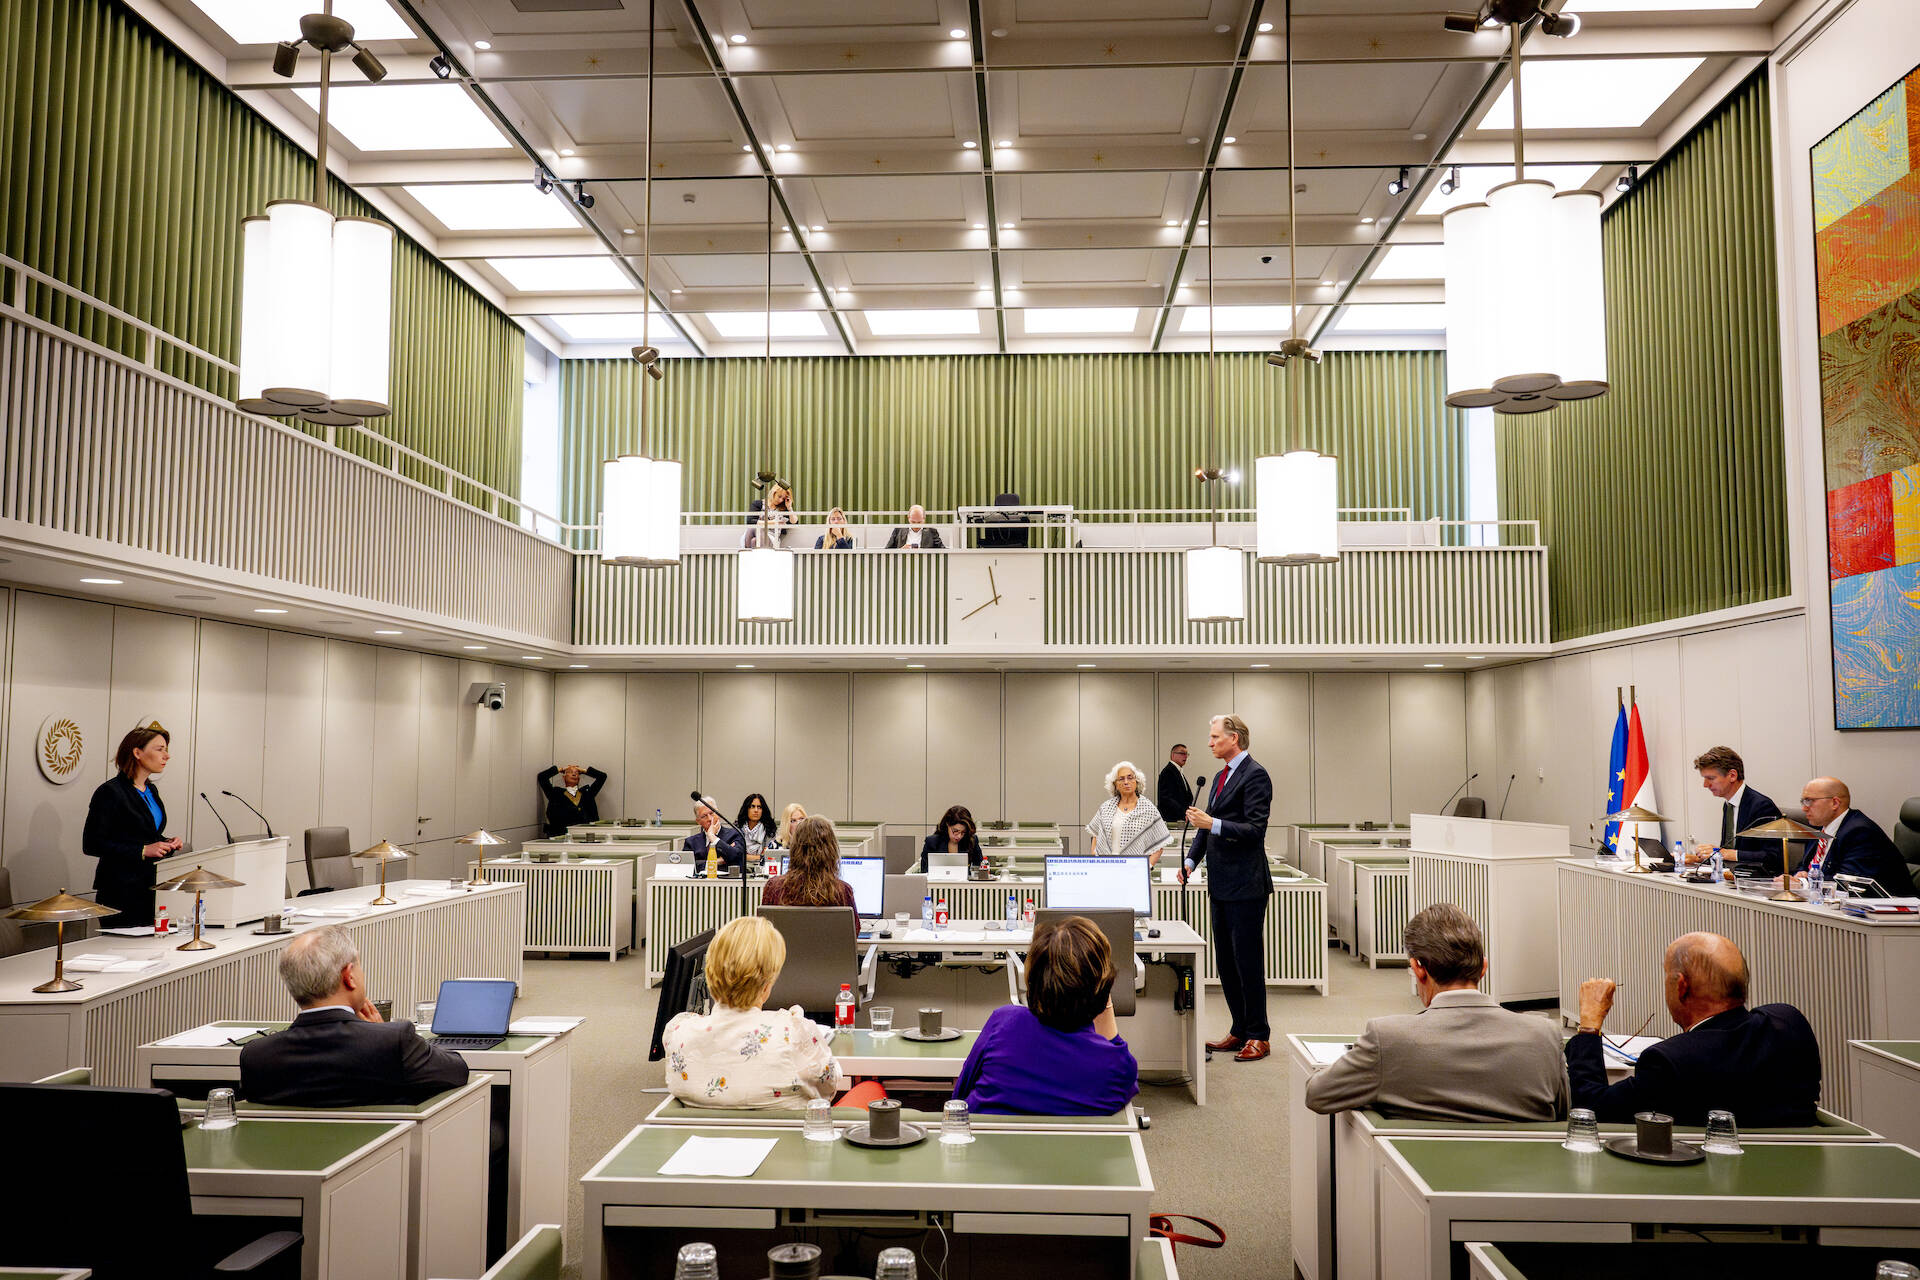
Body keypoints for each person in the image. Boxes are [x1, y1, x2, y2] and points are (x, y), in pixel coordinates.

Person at [1305, 905, 1569, 1121]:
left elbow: (1317, 1094)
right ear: (1483, 967)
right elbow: (1564, 1113)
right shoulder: (1544, 1034)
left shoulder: (1387, 1038)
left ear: (1419, 969)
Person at [1566, 932, 1821, 1125]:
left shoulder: (1670, 1062)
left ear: (1681, 986)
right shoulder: (1790, 1023)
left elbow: (1592, 1108)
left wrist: (1589, 1026)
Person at [661, 916, 885, 1110]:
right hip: (792, 1146)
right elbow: (829, 1085)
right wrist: (798, 1027)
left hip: (701, 1145)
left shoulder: (678, 1031)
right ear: (767, 985)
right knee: (870, 1089)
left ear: (709, 973)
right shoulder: (793, 1031)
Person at [239, 925, 468, 1106]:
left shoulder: (256, 1056)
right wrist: (380, 1031)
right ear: (349, 976)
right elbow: (457, 1071)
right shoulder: (393, 1041)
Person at [954, 915, 1139, 1115]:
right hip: (1072, 1147)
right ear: (1103, 991)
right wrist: (1103, 999)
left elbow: (959, 1098)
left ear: (1031, 978)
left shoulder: (1005, 1022)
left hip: (986, 1143)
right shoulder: (1118, 1067)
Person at [1184, 714, 1273, 1062]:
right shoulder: (1221, 777)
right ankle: (1239, 1029)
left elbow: (1255, 830)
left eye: (1215, 736)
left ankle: (1259, 1035)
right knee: (1225, 962)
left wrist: (1215, 823)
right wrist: (1190, 861)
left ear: (1233, 738)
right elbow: (1205, 828)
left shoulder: (1256, 775)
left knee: (1247, 961)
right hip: (1220, 884)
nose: (1209, 743)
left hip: (1247, 885)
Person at [82, 725, 183, 926]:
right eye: (159, 749)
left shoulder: (151, 790)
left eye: (166, 749)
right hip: (120, 888)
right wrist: (143, 850)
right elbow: (92, 844)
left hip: (149, 886)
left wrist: (166, 842)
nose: (167, 756)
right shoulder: (110, 792)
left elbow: (142, 834)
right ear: (137, 752)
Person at [1796, 776, 1913, 898]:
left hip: (1891, 908)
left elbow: (1848, 883)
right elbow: (1804, 866)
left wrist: (1803, 883)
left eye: (1809, 801)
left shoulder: (1860, 832)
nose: (1804, 808)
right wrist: (1797, 877)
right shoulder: (1820, 829)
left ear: (1835, 803)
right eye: (1803, 802)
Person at [1682, 746, 1784, 875]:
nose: (1705, 785)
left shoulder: (1762, 806)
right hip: (1731, 878)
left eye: (1711, 778)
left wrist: (1725, 853)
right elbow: (1728, 852)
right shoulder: (1729, 805)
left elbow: (1773, 857)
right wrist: (1698, 859)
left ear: (1732, 775)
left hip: (1758, 882)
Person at [1086, 762, 1172, 864]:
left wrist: (1148, 867)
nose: (1126, 782)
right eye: (1121, 779)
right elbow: (1096, 835)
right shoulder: (1105, 808)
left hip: (1134, 869)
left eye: (1130, 777)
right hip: (1106, 867)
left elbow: (1159, 846)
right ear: (1115, 785)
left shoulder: (1148, 809)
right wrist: (1095, 858)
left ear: (1137, 781)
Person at [761, 816, 856, 907]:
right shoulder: (843, 891)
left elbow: (763, 924)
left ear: (795, 849)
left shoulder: (773, 888)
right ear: (831, 851)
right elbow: (853, 924)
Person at [537, 762, 607, 838]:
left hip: (584, 837)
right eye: (570, 772)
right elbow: (542, 777)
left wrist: (583, 771)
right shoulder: (555, 793)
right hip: (561, 837)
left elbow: (602, 777)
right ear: (564, 778)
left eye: (576, 773)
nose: (574, 774)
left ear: (579, 778)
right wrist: (561, 769)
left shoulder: (587, 793)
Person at [684, 795, 746, 871]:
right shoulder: (691, 842)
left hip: (727, 882)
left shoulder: (735, 834)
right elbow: (687, 866)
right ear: (698, 821)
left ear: (718, 814)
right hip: (700, 882)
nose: (710, 819)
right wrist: (715, 862)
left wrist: (713, 837)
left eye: (712, 813)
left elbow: (736, 858)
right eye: (704, 816)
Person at [921, 804, 983, 871]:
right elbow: (924, 871)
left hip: (965, 881)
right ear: (947, 824)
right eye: (955, 831)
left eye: (963, 832)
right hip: (938, 881)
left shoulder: (972, 840)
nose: (959, 836)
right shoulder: (932, 842)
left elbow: (978, 868)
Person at [741, 481, 796, 549]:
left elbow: (794, 522)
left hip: (771, 538)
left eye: (783, 499)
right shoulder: (758, 504)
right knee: (754, 539)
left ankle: (747, 555)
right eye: (779, 496)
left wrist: (789, 508)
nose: (780, 500)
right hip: (754, 534)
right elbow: (750, 521)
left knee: (755, 529)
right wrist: (774, 522)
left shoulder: (783, 509)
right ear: (773, 492)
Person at [1156, 743, 1194, 826]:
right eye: (1182, 753)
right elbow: (1166, 798)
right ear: (1173, 755)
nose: (1185, 756)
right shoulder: (1168, 772)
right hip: (1172, 820)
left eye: (1186, 754)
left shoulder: (1178, 771)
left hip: (1180, 819)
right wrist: (1184, 812)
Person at [735, 793, 779, 862]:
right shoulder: (737, 828)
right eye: (752, 806)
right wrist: (760, 857)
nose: (756, 810)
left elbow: (771, 856)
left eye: (759, 807)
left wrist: (746, 857)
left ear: (763, 810)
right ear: (747, 809)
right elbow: (735, 855)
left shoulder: (769, 829)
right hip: (741, 869)